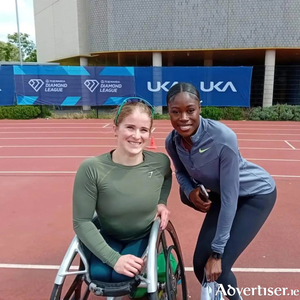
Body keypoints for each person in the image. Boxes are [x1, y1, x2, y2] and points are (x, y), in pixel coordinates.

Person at [165, 82, 276, 300]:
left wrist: (217, 252)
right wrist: (189, 190)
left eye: (190, 110)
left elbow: (230, 198)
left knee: (219, 268)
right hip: (222, 195)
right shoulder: (173, 141)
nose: (183, 118)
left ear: (200, 108)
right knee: (199, 266)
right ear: (168, 111)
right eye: (175, 112)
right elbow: (179, 172)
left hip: (255, 196)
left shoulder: (222, 138)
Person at [73, 98, 172, 283]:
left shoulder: (160, 162)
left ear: (150, 133)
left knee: (120, 276)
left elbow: (167, 177)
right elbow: (82, 222)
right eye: (130, 127)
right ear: (115, 129)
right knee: (100, 275)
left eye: (143, 130)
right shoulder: (91, 168)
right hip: (108, 234)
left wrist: (161, 202)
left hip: (142, 235)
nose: (136, 136)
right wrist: (114, 259)